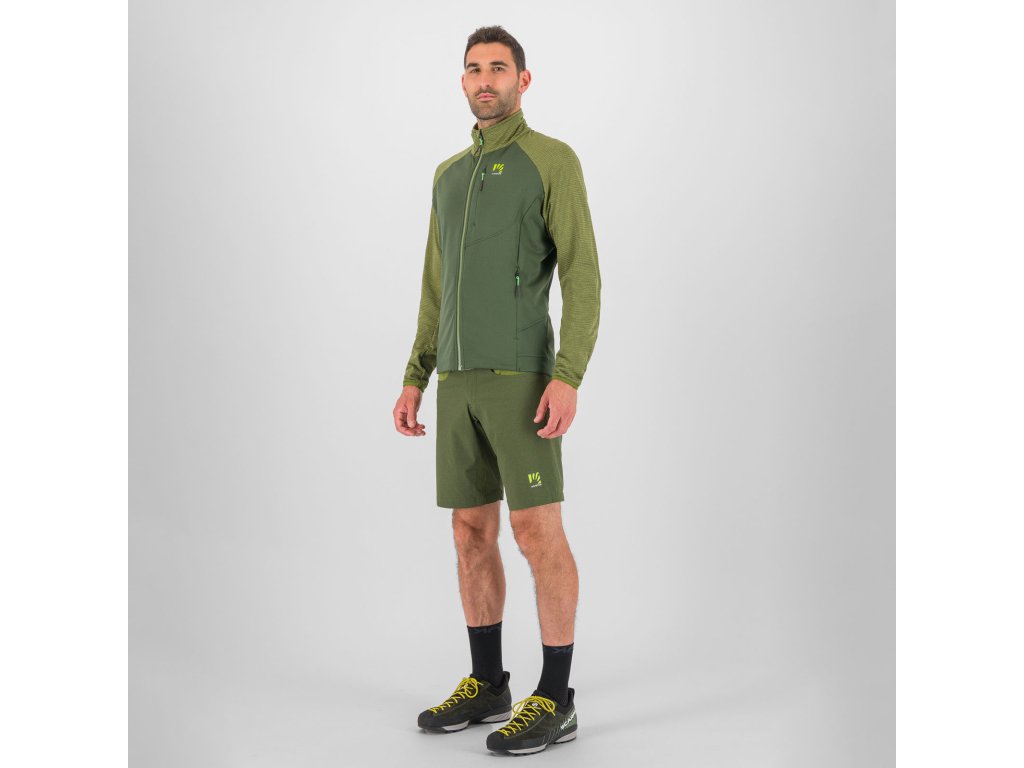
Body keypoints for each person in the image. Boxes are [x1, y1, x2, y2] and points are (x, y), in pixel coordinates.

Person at [392, 24, 601, 756]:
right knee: (469, 531)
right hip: (456, 382)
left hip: (521, 380)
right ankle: (489, 683)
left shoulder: (551, 160)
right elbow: (435, 285)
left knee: (536, 532)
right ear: (463, 81)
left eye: (499, 68)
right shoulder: (449, 175)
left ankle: (557, 698)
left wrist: (567, 374)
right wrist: (417, 374)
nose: (486, 80)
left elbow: (582, 275)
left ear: (523, 79)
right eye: (474, 69)